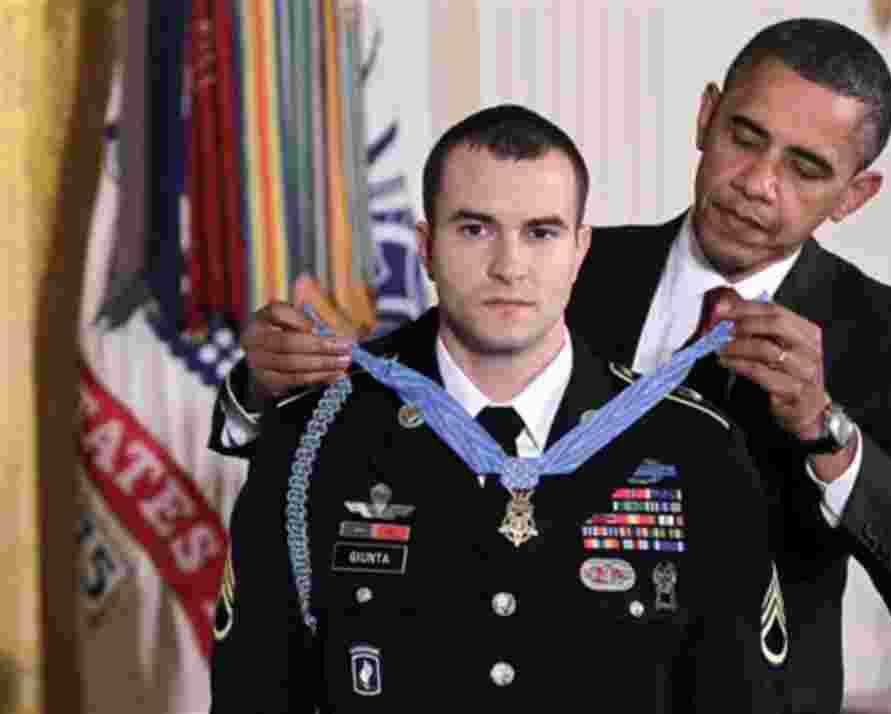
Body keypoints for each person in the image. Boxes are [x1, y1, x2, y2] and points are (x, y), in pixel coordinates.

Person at [212, 19, 891, 712]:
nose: (759, 183)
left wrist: (825, 430)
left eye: (806, 169)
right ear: (705, 116)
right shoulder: (560, 261)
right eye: (745, 137)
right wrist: (260, 392)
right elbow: (399, 388)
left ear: (855, 195)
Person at [208, 105, 787, 712]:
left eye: (541, 232)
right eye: (474, 229)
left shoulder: (690, 446)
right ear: (426, 247)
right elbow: (255, 687)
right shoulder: (317, 435)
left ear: (580, 251)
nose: (509, 266)